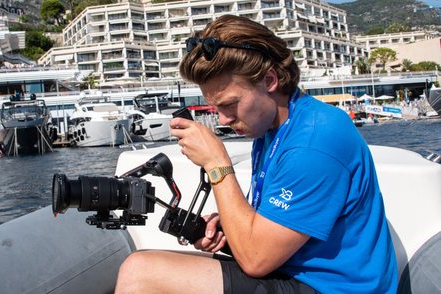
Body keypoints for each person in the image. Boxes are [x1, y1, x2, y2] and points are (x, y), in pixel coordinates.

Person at [115, 15, 398, 293]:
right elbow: (269, 233)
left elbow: (256, 260)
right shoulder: (275, 129)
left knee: (141, 272)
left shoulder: (314, 144)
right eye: (216, 108)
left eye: (230, 104)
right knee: (150, 262)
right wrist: (231, 229)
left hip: (331, 287)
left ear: (270, 80)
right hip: (293, 273)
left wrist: (216, 162)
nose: (223, 120)